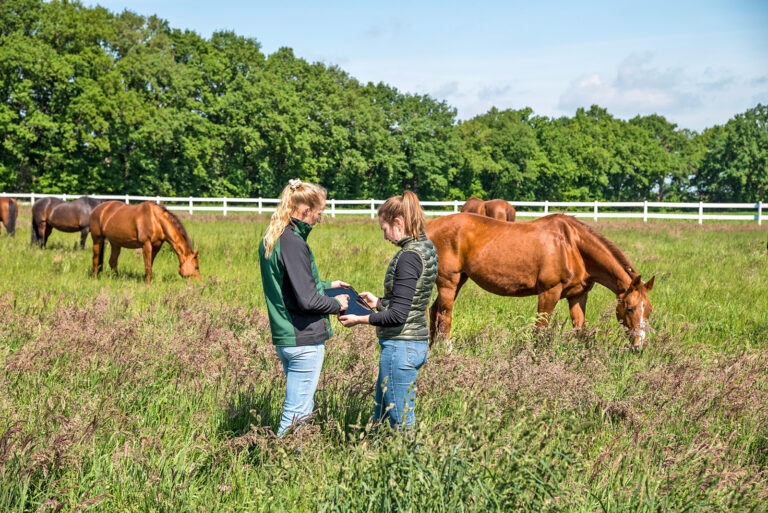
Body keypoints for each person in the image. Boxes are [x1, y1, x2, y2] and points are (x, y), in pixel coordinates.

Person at [339, 191, 438, 430]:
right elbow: (412, 300)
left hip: (400, 346)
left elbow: (398, 316)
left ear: (398, 223)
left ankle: (409, 466)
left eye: (384, 228)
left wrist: (359, 318)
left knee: (400, 423)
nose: (384, 236)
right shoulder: (426, 247)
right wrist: (379, 302)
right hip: (414, 342)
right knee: (383, 419)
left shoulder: (408, 257)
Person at [259, 179, 349, 436]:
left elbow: (291, 282)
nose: (320, 219)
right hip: (303, 339)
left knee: (303, 409)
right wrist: (336, 303)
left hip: (286, 337)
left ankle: (295, 464)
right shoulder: (294, 243)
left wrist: (329, 284)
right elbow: (307, 300)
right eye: (319, 213)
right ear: (305, 210)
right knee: (296, 413)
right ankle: (281, 467)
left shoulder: (274, 237)